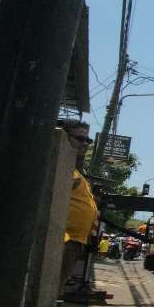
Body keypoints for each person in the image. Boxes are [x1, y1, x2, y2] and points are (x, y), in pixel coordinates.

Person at [57, 120, 99, 297]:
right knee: (50, 289)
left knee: (56, 288)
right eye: (80, 139)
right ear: (64, 137)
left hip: (75, 241)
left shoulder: (76, 171)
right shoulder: (59, 164)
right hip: (61, 240)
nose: (85, 144)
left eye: (88, 140)